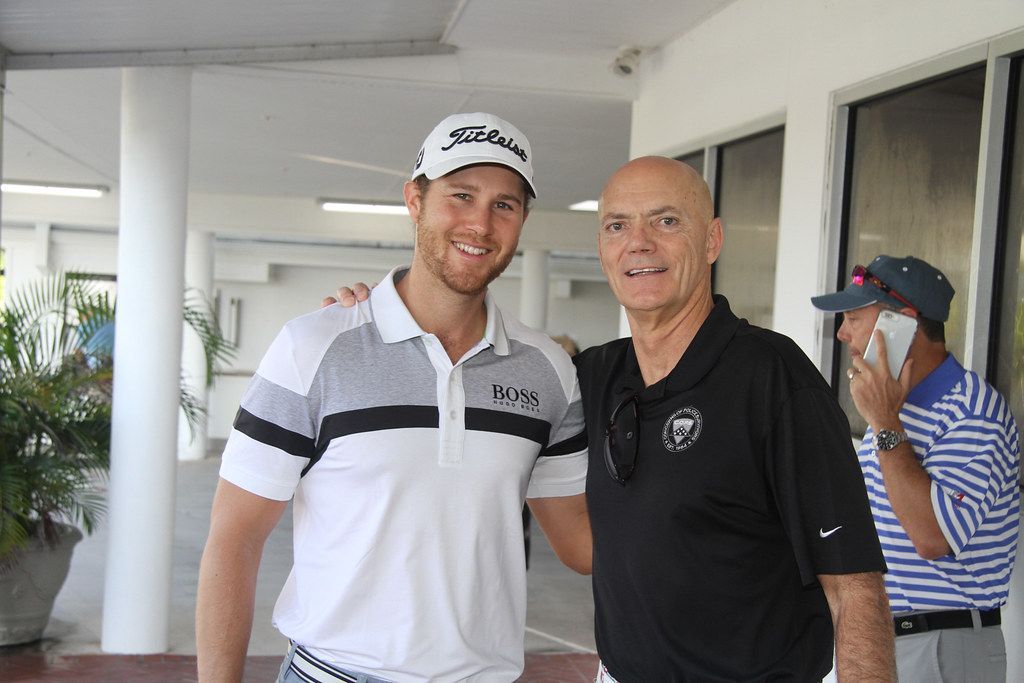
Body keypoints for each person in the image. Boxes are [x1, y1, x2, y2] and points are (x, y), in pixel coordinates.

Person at [337, 157, 897, 680]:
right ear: (602, 249)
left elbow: (855, 588)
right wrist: (370, 320)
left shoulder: (772, 376)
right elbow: (580, 544)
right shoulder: (586, 377)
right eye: (617, 226)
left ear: (712, 241)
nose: (639, 244)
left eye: (667, 221)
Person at [195, 112, 591, 683]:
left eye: (504, 205)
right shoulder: (314, 347)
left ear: (522, 220)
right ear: (415, 200)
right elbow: (234, 538)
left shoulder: (547, 371)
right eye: (460, 195)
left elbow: (581, 543)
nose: (480, 224)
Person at [811, 254, 1020, 683]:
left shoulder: (972, 414)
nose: (842, 333)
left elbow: (932, 536)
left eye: (853, 317)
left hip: (941, 648)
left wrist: (886, 424)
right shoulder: (893, 403)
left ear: (901, 323)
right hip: (887, 640)